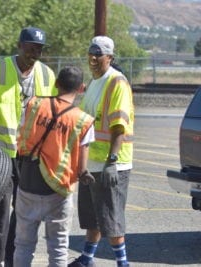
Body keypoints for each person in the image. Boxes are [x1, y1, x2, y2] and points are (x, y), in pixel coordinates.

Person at [0, 26, 57, 267]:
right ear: (19, 45)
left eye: (39, 49)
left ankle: (13, 260)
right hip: (0, 157)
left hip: (30, 158)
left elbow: (53, 117)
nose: (34, 53)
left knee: (23, 216)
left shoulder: (47, 75)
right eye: (30, 47)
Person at [13, 66, 95, 267]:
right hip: (59, 189)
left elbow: (21, 137)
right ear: (82, 88)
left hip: (28, 182)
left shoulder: (34, 104)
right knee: (58, 247)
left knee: (23, 244)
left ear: (56, 84)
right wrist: (84, 175)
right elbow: (82, 167)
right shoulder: (83, 121)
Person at [68, 36, 134, 267]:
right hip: (92, 161)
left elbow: (119, 125)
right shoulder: (95, 81)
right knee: (92, 218)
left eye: (99, 54)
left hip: (111, 163)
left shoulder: (117, 83)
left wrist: (112, 161)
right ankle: (86, 260)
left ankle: (122, 263)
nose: (94, 58)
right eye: (91, 53)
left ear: (110, 57)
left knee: (111, 218)